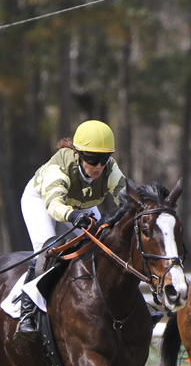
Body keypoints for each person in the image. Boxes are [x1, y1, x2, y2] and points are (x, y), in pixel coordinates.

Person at [14, 119, 127, 342]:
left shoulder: (109, 168)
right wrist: (74, 216)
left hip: (79, 203)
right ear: (77, 154)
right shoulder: (59, 166)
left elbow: (125, 194)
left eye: (104, 159)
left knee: (107, 243)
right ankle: (27, 311)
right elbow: (55, 205)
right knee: (49, 249)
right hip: (42, 200)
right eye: (93, 159)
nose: (99, 166)